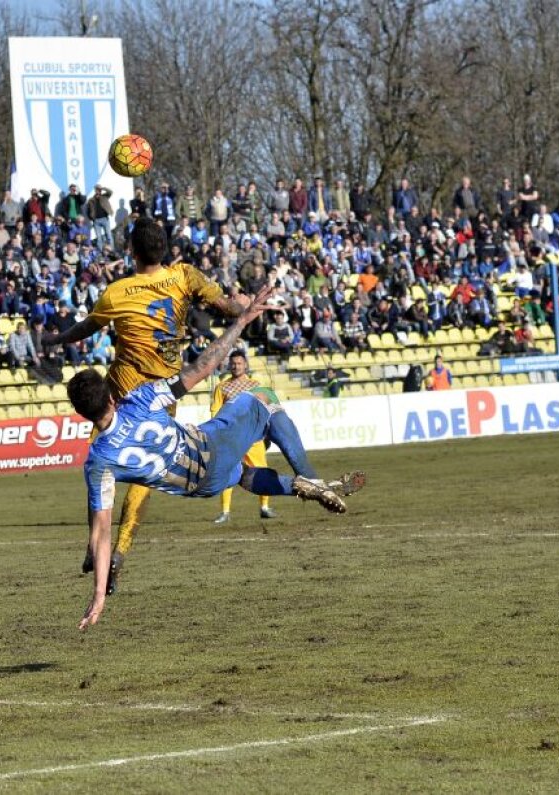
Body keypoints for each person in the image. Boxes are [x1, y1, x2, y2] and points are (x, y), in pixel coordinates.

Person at [70, 285, 365, 630]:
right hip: (209, 447)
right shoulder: (140, 399)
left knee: (243, 475)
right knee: (264, 396)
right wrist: (239, 322)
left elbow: (102, 532)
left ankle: (301, 485)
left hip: (200, 488)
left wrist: (99, 595)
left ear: (82, 414)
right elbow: (203, 366)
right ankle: (312, 479)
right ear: (110, 397)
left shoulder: (98, 462)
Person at [40, 221, 247, 592]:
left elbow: (87, 328)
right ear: (165, 249)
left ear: (131, 252)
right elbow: (228, 308)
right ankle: (119, 550)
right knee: (145, 473)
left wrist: (56, 338)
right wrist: (242, 305)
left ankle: (94, 543)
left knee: (100, 465)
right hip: (160, 396)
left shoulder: (117, 292)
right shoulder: (186, 275)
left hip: (119, 391)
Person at [210, 350, 277, 524]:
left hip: (254, 438)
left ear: (245, 365)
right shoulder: (222, 387)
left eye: (239, 363)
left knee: (262, 471)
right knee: (228, 473)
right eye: (233, 363)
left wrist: (267, 430)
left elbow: (265, 409)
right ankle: (225, 512)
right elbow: (215, 412)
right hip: (232, 439)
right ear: (228, 365)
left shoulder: (256, 385)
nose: (236, 366)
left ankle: (265, 508)